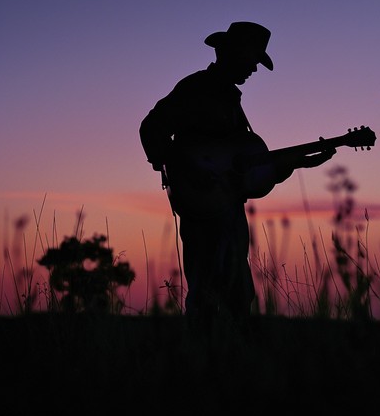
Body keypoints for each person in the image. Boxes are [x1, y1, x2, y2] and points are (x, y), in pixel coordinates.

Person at [139, 21, 335, 335]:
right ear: (230, 54)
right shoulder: (196, 88)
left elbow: (242, 170)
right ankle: (204, 360)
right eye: (252, 61)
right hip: (204, 210)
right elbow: (152, 128)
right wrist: (188, 169)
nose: (254, 70)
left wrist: (296, 164)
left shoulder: (230, 98)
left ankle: (229, 359)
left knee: (237, 293)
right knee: (207, 290)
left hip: (228, 209)